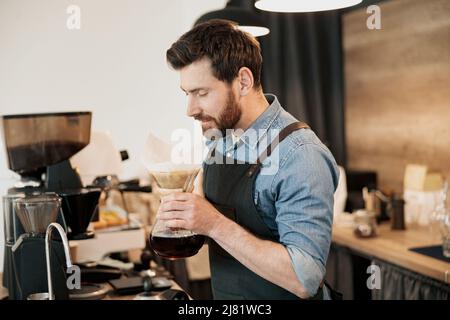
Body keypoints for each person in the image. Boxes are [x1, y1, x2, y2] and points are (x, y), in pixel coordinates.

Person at [158, 19, 339, 300]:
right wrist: (187, 220)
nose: (190, 109)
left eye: (201, 93)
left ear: (243, 81)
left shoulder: (300, 155)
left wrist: (213, 223)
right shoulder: (221, 136)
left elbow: (305, 279)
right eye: (187, 94)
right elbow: (222, 228)